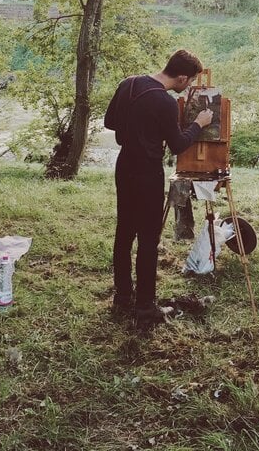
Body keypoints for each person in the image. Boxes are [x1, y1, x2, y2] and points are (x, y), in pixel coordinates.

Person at [104, 49, 213, 323]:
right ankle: (145, 308)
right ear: (181, 77)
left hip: (124, 167)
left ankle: (123, 297)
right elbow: (177, 145)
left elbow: (109, 122)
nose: (187, 87)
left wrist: (135, 129)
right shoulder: (163, 102)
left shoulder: (128, 83)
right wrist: (199, 124)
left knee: (124, 232)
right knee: (149, 240)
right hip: (147, 174)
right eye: (188, 82)